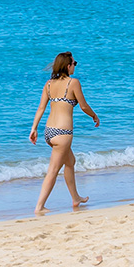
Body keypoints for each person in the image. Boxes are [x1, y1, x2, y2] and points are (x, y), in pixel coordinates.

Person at [29, 51, 98, 215]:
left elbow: (41, 108)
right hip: (63, 133)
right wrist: (94, 116)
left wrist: (34, 128)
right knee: (53, 170)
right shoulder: (73, 83)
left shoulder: (49, 84)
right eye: (74, 63)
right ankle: (39, 206)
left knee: (70, 161)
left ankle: (75, 198)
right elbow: (84, 106)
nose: (75, 66)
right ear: (68, 66)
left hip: (49, 132)